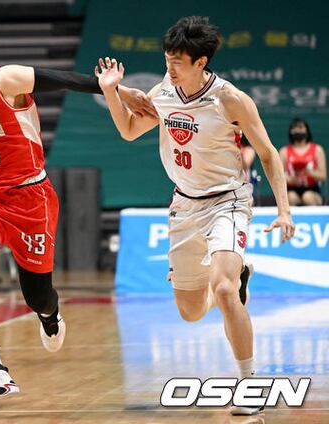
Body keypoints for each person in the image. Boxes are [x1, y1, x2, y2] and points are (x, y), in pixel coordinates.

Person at [0, 29, 155, 403]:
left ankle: (50, 316)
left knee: (38, 296)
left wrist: (117, 91)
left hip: (30, 198)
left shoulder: (3, 80)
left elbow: (65, 80)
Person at [95, 16, 295, 415]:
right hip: (184, 204)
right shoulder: (163, 93)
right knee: (189, 312)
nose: (170, 67)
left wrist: (284, 210)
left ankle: (249, 383)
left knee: (223, 289)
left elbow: (269, 154)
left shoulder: (230, 99)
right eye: (167, 59)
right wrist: (111, 92)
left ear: (200, 62)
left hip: (228, 201)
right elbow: (129, 131)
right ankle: (236, 283)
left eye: (177, 61)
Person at [279, 117, 326, 206]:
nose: (297, 130)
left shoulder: (317, 149)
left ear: (307, 131)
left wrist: (308, 173)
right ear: (290, 131)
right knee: (291, 197)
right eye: (294, 128)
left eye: (300, 127)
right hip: (291, 188)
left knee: (307, 197)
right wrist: (290, 179)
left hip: (312, 188)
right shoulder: (284, 151)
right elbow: (280, 176)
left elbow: (323, 176)